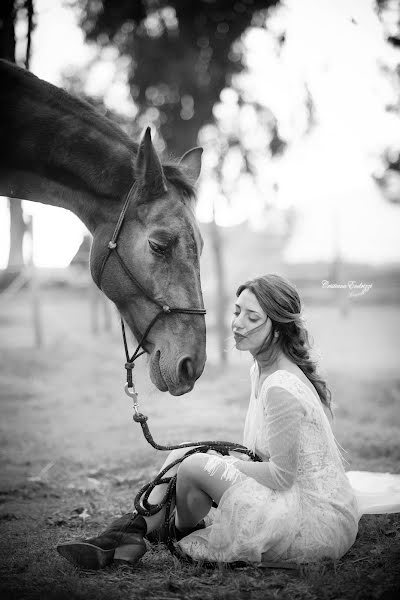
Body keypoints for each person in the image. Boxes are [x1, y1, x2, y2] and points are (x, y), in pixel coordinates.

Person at [57, 274, 398, 570]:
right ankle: (126, 535)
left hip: (310, 522)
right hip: (287, 494)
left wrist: (218, 464)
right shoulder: (260, 370)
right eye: (237, 312)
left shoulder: (281, 386)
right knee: (185, 455)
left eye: (253, 317)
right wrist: (216, 461)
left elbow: (281, 476)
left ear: (278, 329)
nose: (237, 323)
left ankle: (166, 531)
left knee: (193, 466)